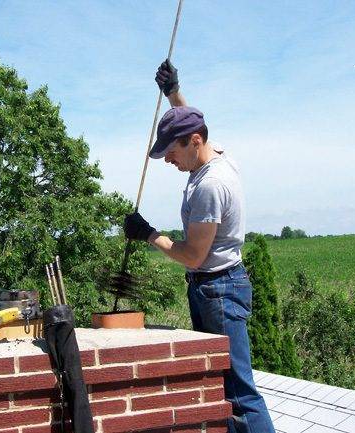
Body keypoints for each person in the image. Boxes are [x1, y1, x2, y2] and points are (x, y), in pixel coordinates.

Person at [123, 60, 276, 433]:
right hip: (216, 287)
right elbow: (190, 122)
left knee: (238, 392)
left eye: (170, 152)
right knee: (224, 385)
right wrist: (173, 92)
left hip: (219, 290)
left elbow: (193, 255)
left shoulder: (210, 185)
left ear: (194, 142)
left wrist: (148, 234)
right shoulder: (216, 154)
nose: (167, 160)